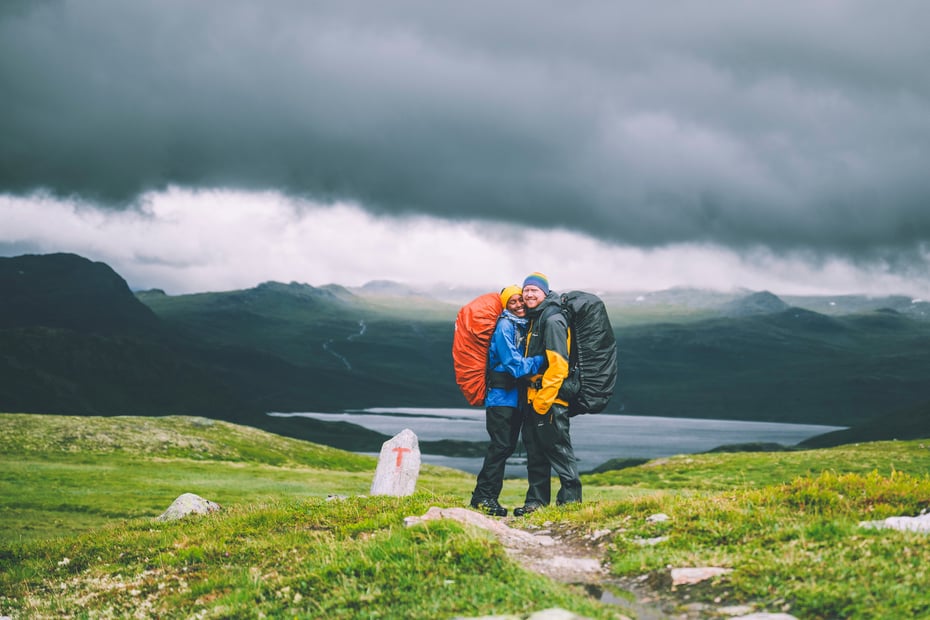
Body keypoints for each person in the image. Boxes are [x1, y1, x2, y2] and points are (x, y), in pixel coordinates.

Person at [470, 285, 544, 517]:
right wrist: (543, 360)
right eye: (513, 302)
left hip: (513, 399)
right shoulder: (504, 326)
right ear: (505, 305)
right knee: (501, 447)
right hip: (501, 398)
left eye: (520, 300)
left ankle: (485, 497)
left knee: (504, 447)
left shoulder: (521, 325)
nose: (519, 304)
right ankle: (483, 498)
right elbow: (514, 365)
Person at [513, 272, 583, 516]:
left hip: (550, 399)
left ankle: (570, 504)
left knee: (559, 451)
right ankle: (536, 503)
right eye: (526, 290)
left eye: (534, 290)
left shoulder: (552, 320)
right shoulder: (536, 318)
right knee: (535, 453)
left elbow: (559, 365)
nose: (529, 294)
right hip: (534, 398)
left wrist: (544, 399)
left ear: (545, 293)